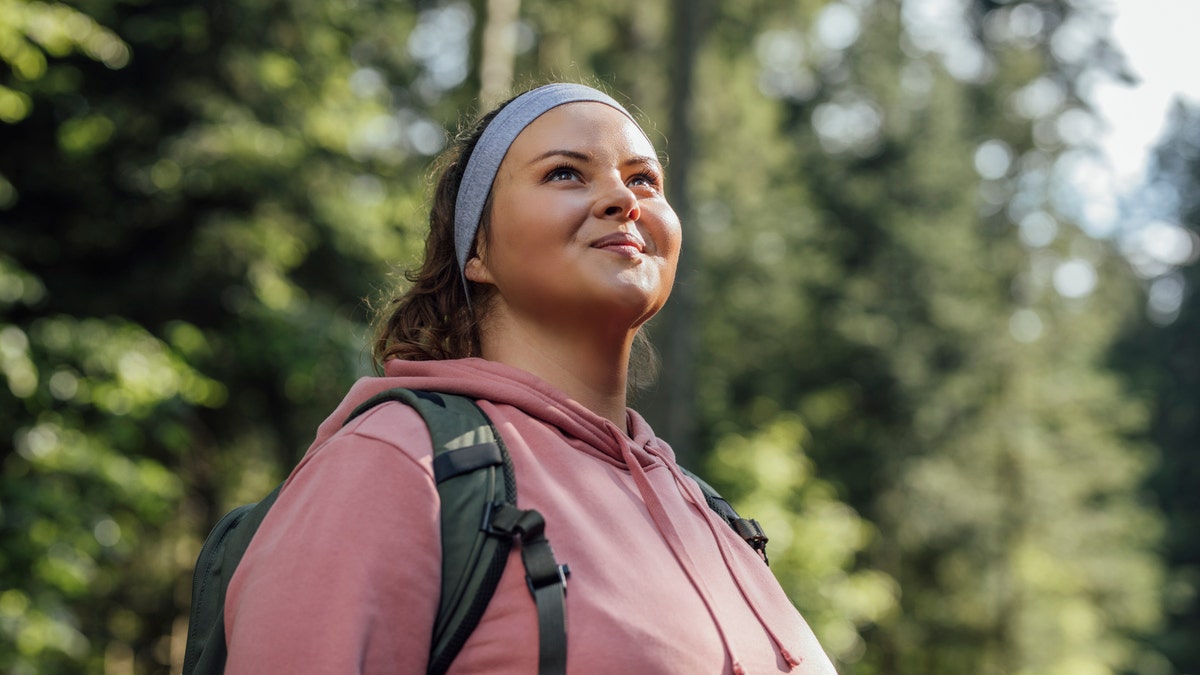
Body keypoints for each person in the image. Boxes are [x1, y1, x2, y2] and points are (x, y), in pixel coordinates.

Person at [223, 82, 836, 674]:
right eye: (566, 172)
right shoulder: (397, 463)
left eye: (643, 178)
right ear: (477, 251)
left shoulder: (709, 512)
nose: (623, 199)